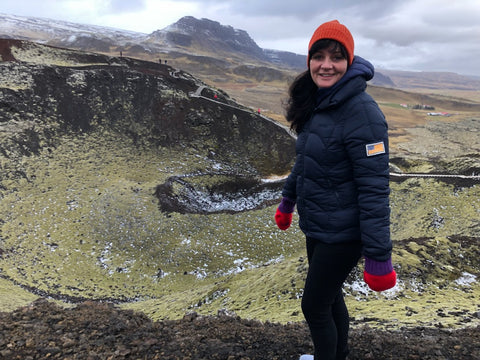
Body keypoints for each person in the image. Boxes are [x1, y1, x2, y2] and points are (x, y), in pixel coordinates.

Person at [274, 20, 396, 360]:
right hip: (320, 224)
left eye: (336, 57)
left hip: (344, 233)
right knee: (330, 299)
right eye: (319, 56)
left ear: (349, 61)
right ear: (309, 60)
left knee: (313, 306)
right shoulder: (320, 101)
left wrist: (378, 255)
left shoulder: (363, 113)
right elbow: (306, 160)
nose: (326, 64)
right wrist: (288, 200)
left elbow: (374, 189)